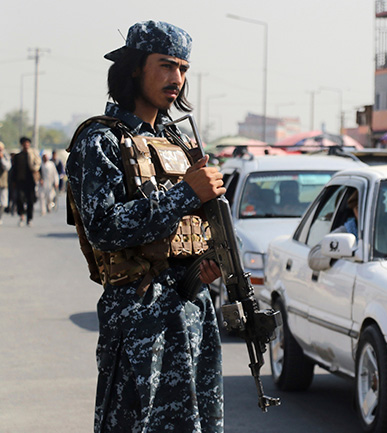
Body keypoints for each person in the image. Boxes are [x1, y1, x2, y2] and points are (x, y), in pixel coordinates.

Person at [66, 21, 226, 432]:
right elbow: (104, 227)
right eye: (166, 66)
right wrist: (186, 193)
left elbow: (192, 229)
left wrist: (204, 265)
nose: (177, 78)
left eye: (183, 69)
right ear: (135, 67)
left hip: (192, 313)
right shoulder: (100, 140)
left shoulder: (178, 141)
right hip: (139, 320)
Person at [11, 136, 41, 226]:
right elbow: (14, 170)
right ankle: (21, 216)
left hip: (30, 182)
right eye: (25, 143)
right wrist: (13, 182)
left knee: (30, 201)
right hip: (20, 182)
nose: (26, 145)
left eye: (28, 143)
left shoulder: (32, 156)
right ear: (22, 144)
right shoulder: (17, 157)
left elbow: (38, 168)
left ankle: (29, 218)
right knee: (19, 199)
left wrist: (40, 178)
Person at [0, 141, 9, 225]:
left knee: (3, 203)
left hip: (3, 183)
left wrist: (2, 158)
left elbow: (7, 167)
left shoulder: (5, 155)